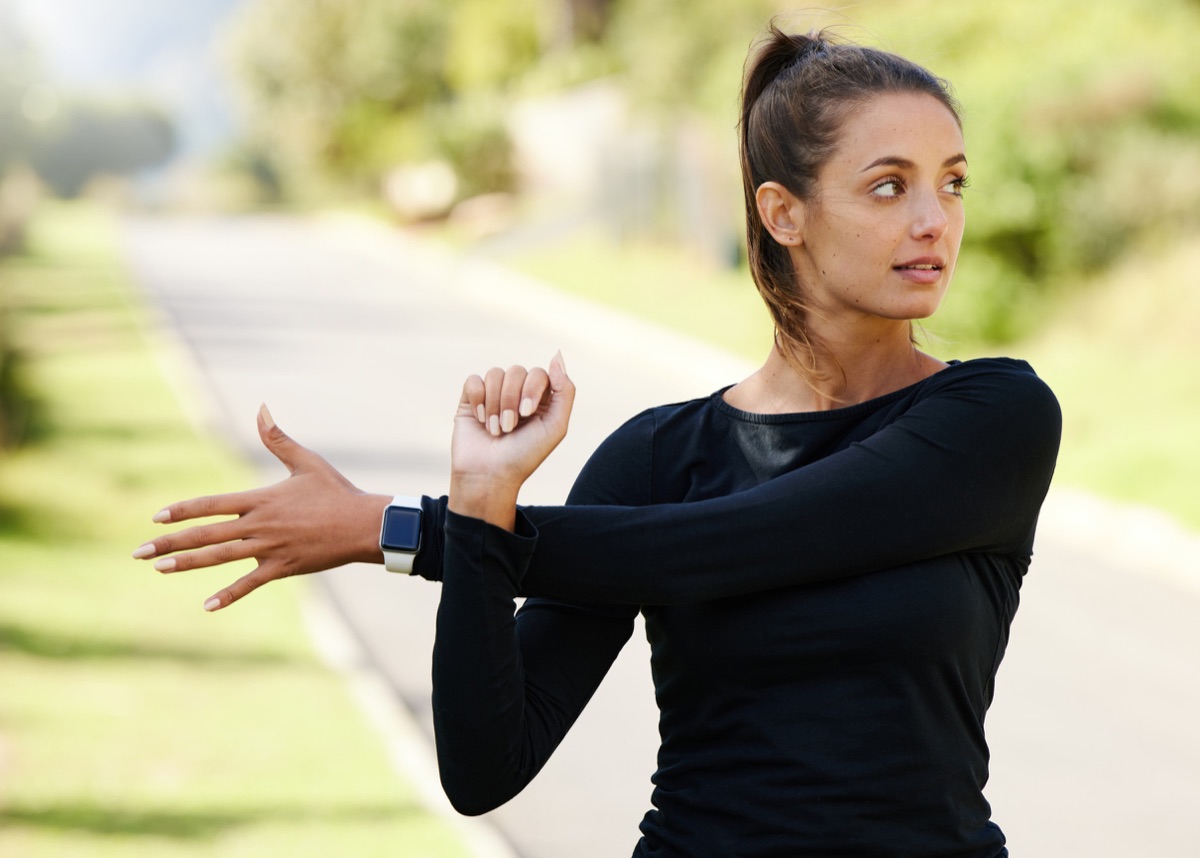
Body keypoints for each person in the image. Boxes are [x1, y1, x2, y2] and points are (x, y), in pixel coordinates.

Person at [134, 25, 1061, 857]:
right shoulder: (659, 457)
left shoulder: (993, 421)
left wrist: (398, 528)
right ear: (784, 214)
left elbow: (733, 547)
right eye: (889, 186)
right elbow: (485, 768)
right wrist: (477, 496)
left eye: (952, 183)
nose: (935, 220)